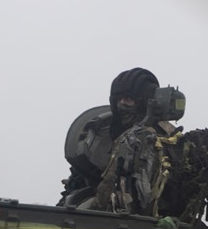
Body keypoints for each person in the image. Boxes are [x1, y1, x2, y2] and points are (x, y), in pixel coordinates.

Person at [59, 68, 166, 208]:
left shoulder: (163, 140)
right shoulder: (105, 134)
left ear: (143, 103)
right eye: (118, 99)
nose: (122, 104)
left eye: (128, 99)